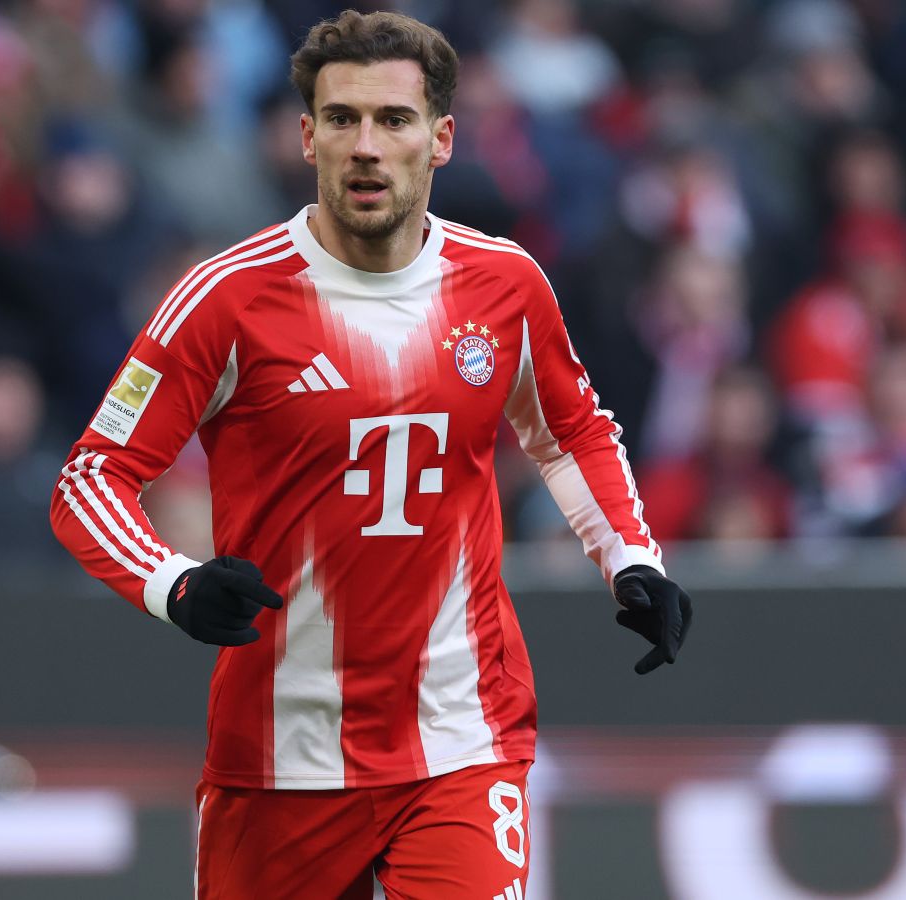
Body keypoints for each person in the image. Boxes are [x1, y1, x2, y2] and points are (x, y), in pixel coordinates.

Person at [49, 10, 693, 898]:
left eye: (393, 120)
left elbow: (570, 430)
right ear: (306, 137)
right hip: (281, 751)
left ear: (442, 139)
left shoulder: (505, 285)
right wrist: (175, 585)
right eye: (341, 118)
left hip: (461, 735)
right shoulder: (226, 298)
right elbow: (92, 478)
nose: (365, 146)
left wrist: (631, 558)